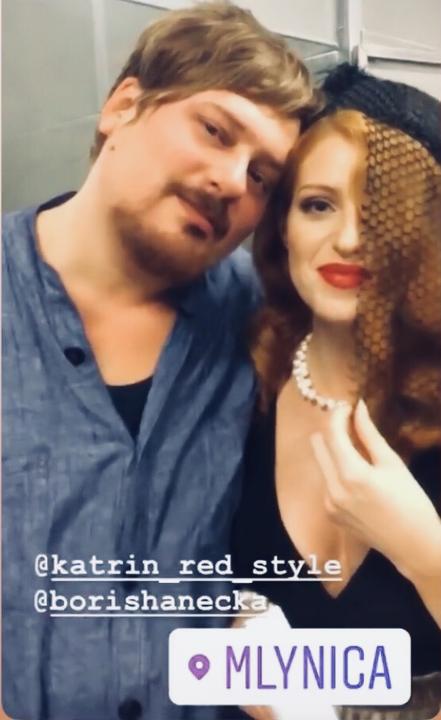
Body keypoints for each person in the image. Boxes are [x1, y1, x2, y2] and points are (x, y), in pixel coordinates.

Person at [2, 3, 320, 719]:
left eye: (263, 176)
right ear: (124, 106)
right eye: (215, 130)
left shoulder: (264, 325)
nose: (233, 181)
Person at [232, 63, 441, 720]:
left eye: (383, 211)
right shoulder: (235, 388)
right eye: (318, 204)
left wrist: (424, 554)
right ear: (282, 225)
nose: (348, 238)